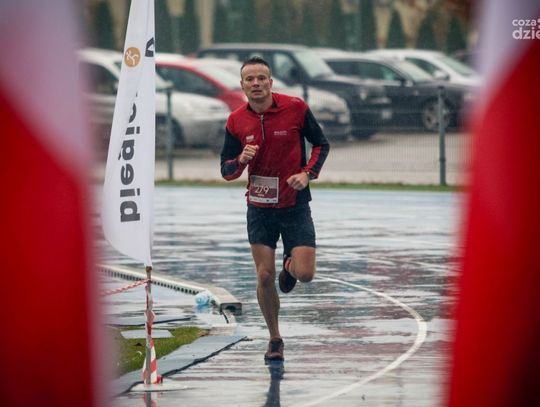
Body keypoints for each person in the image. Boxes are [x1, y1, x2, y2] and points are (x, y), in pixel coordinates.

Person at [220, 56, 330, 361]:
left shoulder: (295, 108)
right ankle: (275, 338)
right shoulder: (235, 121)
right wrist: (240, 160)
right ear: (242, 86)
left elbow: (321, 144)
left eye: (261, 78)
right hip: (260, 208)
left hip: (295, 204)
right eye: (250, 79)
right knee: (265, 275)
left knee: (305, 274)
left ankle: (290, 265)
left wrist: (307, 173)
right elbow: (226, 170)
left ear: (271, 82)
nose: (256, 83)